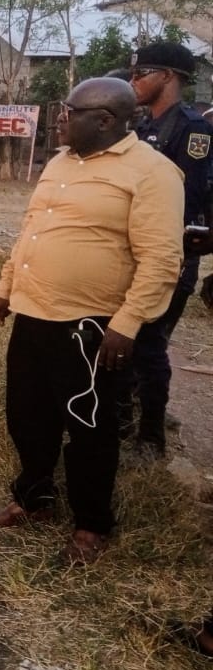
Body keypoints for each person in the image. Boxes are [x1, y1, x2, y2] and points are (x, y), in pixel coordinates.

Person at [0, 76, 184, 565]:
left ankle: (92, 527)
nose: (61, 118)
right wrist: (6, 289)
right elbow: (32, 233)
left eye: (71, 111)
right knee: (27, 415)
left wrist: (127, 323)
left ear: (105, 121)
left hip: (92, 327)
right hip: (33, 313)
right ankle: (34, 499)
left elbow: (161, 260)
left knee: (89, 427)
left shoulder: (153, 173)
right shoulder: (61, 163)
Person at [126, 42, 212, 454]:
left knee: (149, 343)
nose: (134, 82)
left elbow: (190, 196)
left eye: (142, 74)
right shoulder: (142, 127)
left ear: (168, 77)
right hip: (136, 250)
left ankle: (151, 438)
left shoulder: (193, 129)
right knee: (126, 339)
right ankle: (126, 420)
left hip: (171, 254)